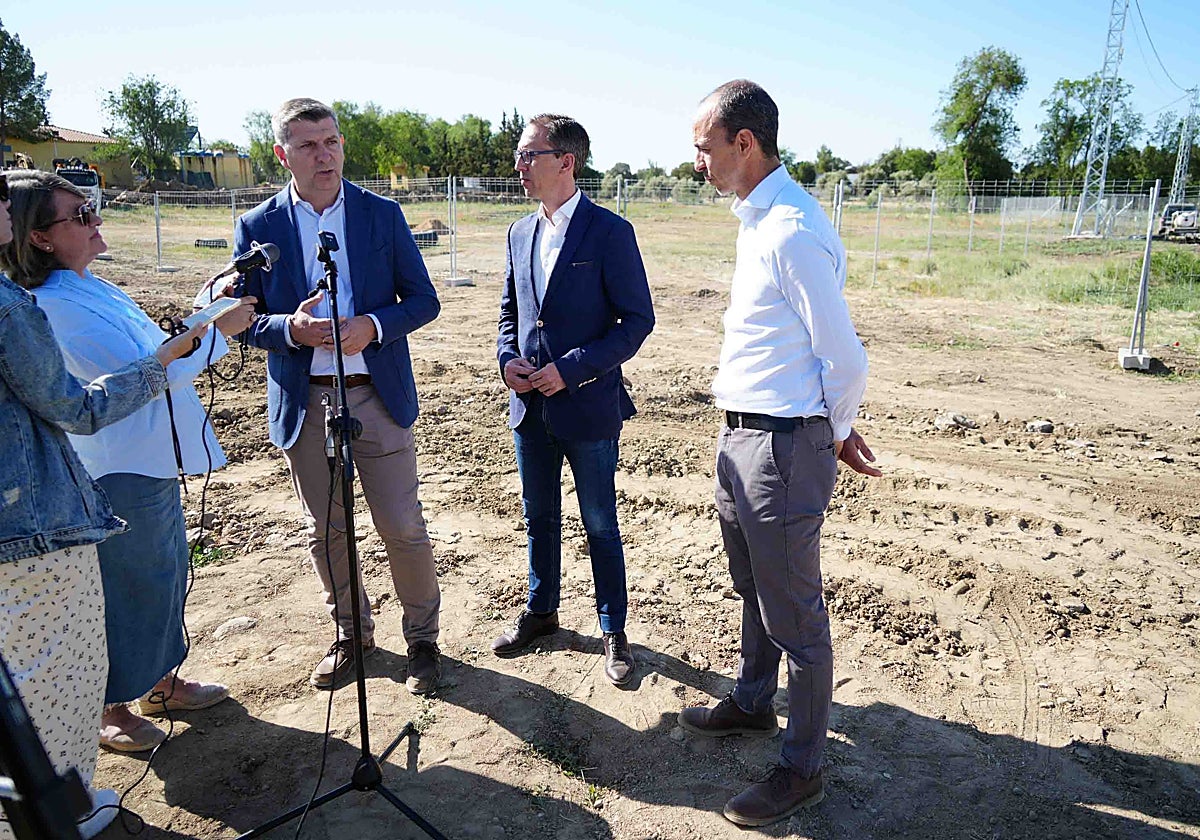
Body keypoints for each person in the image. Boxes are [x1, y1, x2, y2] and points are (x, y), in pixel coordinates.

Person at [676, 80, 882, 827]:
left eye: (704, 147)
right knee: (753, 585)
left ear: (744, 143)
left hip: (781, 446)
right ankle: (753, 703)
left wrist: (835, 426)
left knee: (795, 610)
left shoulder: (792, 229)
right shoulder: (757, 220)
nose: (696, 162)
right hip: (743, 435)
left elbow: (845, 357)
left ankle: (803, 767)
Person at [1, 170, 256, 753]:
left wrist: (208, 313)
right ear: (40, 237)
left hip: (150, 458)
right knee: (125, 583)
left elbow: (157, 350)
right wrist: (220, 330)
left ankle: (161, 682)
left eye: (90, 209)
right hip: (117, 465)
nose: (95, 222)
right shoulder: (49, 306)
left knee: (163, 574)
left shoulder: (94, 287)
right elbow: (148, 373)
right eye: (79, 215)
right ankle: (111, 706)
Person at [235, 98, 443, 693]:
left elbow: (423, 300)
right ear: (282, 155)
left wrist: (373, 326)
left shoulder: (382, 214)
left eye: (332, 142)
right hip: (305, 399)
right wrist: (287, 331)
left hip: (374, 394)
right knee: (326, 531)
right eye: (308, 146)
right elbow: (240, 317)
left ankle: (423, 640)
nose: (324, 155)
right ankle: (352, 633)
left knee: (401, 526)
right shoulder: (258, 227)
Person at [493, 114, 655, 686]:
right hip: (529, 409)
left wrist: (573, 370)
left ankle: (614, 629)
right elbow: (511, 313)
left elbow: (636, 321)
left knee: (599, 522)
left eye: (528, 155)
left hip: (587, 406)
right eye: (519, 155)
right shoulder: (518, 232)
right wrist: (507, 359)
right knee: (539, 518)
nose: (519, 167)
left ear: (567, 161)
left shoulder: (610, 233)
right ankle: (542, 612)